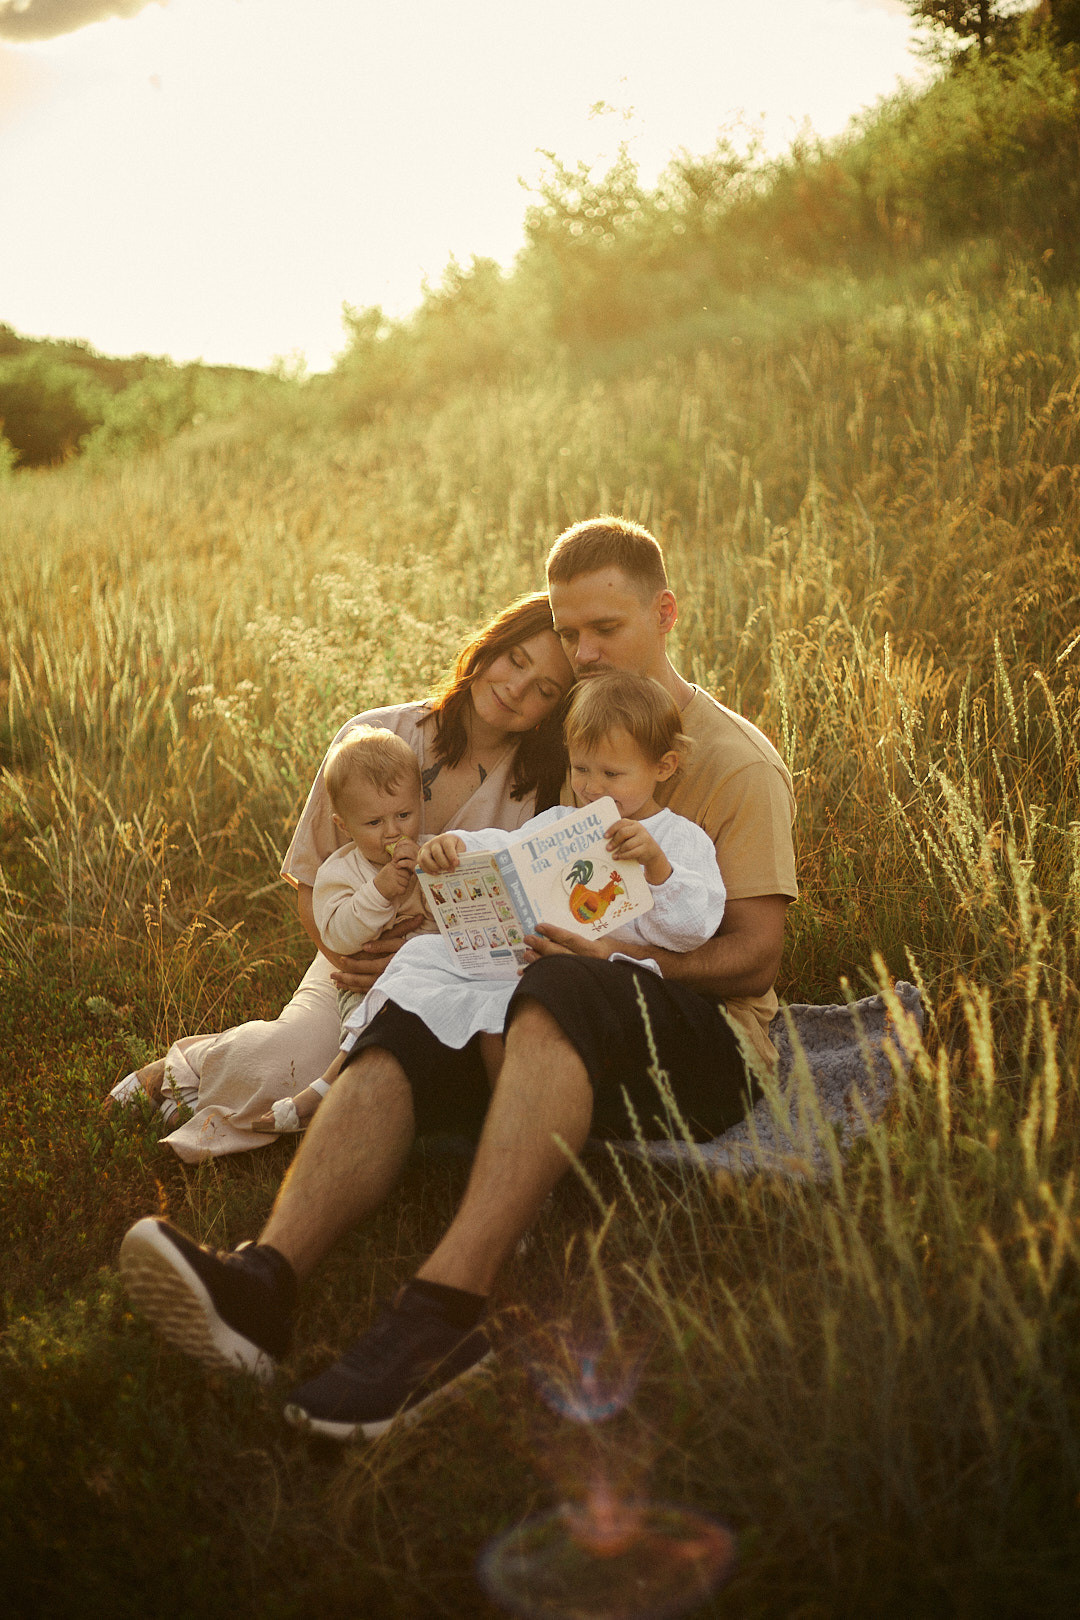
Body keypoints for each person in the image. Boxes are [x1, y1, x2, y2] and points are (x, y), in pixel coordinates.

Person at [119, 516, 798, 1442]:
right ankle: (264, 1277)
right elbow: (517, 851)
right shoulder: (573, 738)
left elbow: (757, 954)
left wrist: (617, 960)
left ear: (666, 613)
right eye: (569, 630)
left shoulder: (731, 761)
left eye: (607, 628)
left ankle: (448, 1310)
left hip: (703, 1037)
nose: (582, 651)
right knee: (418, 1002)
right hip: (552, 992)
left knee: (558, 989)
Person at [105, 592, 575, 1159]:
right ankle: (189, 1066)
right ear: (488, 648)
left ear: (554, 709)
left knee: (387, 1096)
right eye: (516, 660)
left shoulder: (543, 788)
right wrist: (346, 956)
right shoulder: (377, 735)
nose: (518, 688)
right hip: (351, 955)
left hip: (457, 980)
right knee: (288, 1064)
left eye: (545, 689)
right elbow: (311, 882)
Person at [255, 671, 727, 1133]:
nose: (592, 787)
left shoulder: (677, 840)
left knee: (516, 1012)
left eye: (612, 774)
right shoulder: (566, 819)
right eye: (581, 769)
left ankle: (512, 1132)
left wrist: (657, 868)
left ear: (662, 768)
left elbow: (693, 929)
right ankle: (345, 1072)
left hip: (601, 981)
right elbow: (508, 848)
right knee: (421, 956)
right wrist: (454, 847)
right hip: (526, 956)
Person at [251, 725, 430, 1135]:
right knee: (377, 1025)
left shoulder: (428, 853)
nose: (393, 831)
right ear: (344, 825)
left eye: (404, 815)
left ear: (419, 802)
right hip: (367, 987)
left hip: (425, 977)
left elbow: (444, 923)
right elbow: (339, 935)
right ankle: (330, 1090)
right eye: (373, 822)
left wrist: (435, 875)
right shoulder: (341, 872)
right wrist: (379, 892)